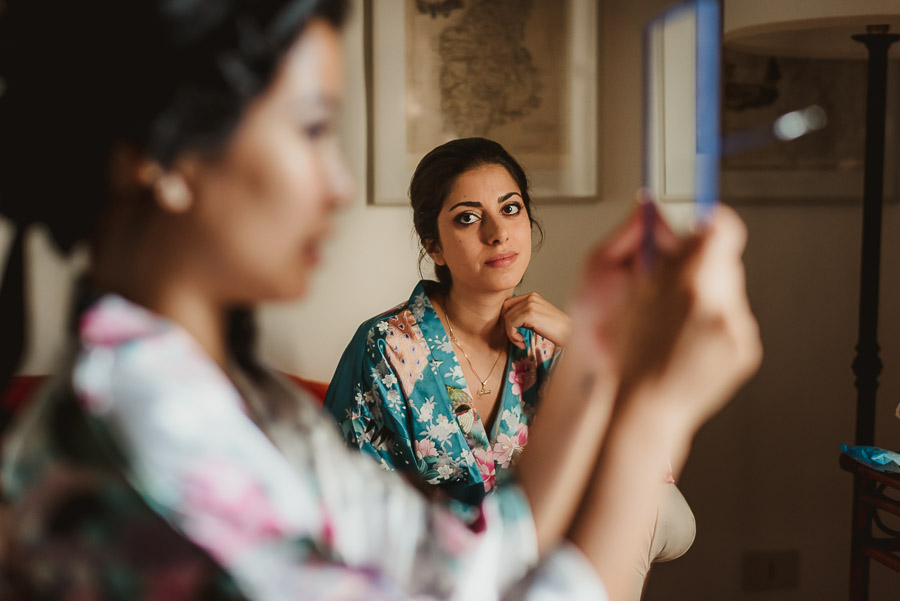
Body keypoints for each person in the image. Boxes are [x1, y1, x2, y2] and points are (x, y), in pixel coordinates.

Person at [0, 2, 762, 601]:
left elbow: (470, 555)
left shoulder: (235, 399)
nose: (339, 183)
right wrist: (656, 408)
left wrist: (596, 345)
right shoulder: (143, 443)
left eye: (511, 208)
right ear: (161, 161)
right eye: (311, 129)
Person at [324, 138, 696, 598]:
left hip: (541, 562)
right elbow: (347, 504)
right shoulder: (387, 347)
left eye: (511, 208)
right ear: (434, 246)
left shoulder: (548, 343)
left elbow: (648, 471)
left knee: (649, 506)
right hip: (437, 571)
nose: (498, 233)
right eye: (468, 217)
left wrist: (580, 342)